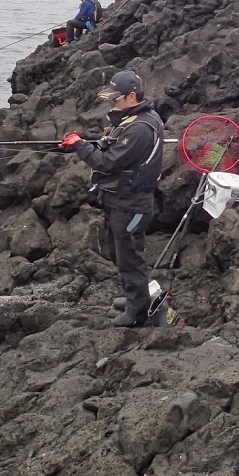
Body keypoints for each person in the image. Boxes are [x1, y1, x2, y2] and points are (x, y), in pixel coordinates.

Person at [59, 71, 165, 327]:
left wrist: (80, 147)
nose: (112, 103)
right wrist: (89, 139)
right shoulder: (136, 117)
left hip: (132, 204)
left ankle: (137, 312)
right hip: (120, 201)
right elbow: (115, 144)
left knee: (131, 258)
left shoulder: (140, 128)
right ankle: (133, 298)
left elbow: (106, 162)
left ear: (131, 96)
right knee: (122, 255)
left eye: (116, 99)